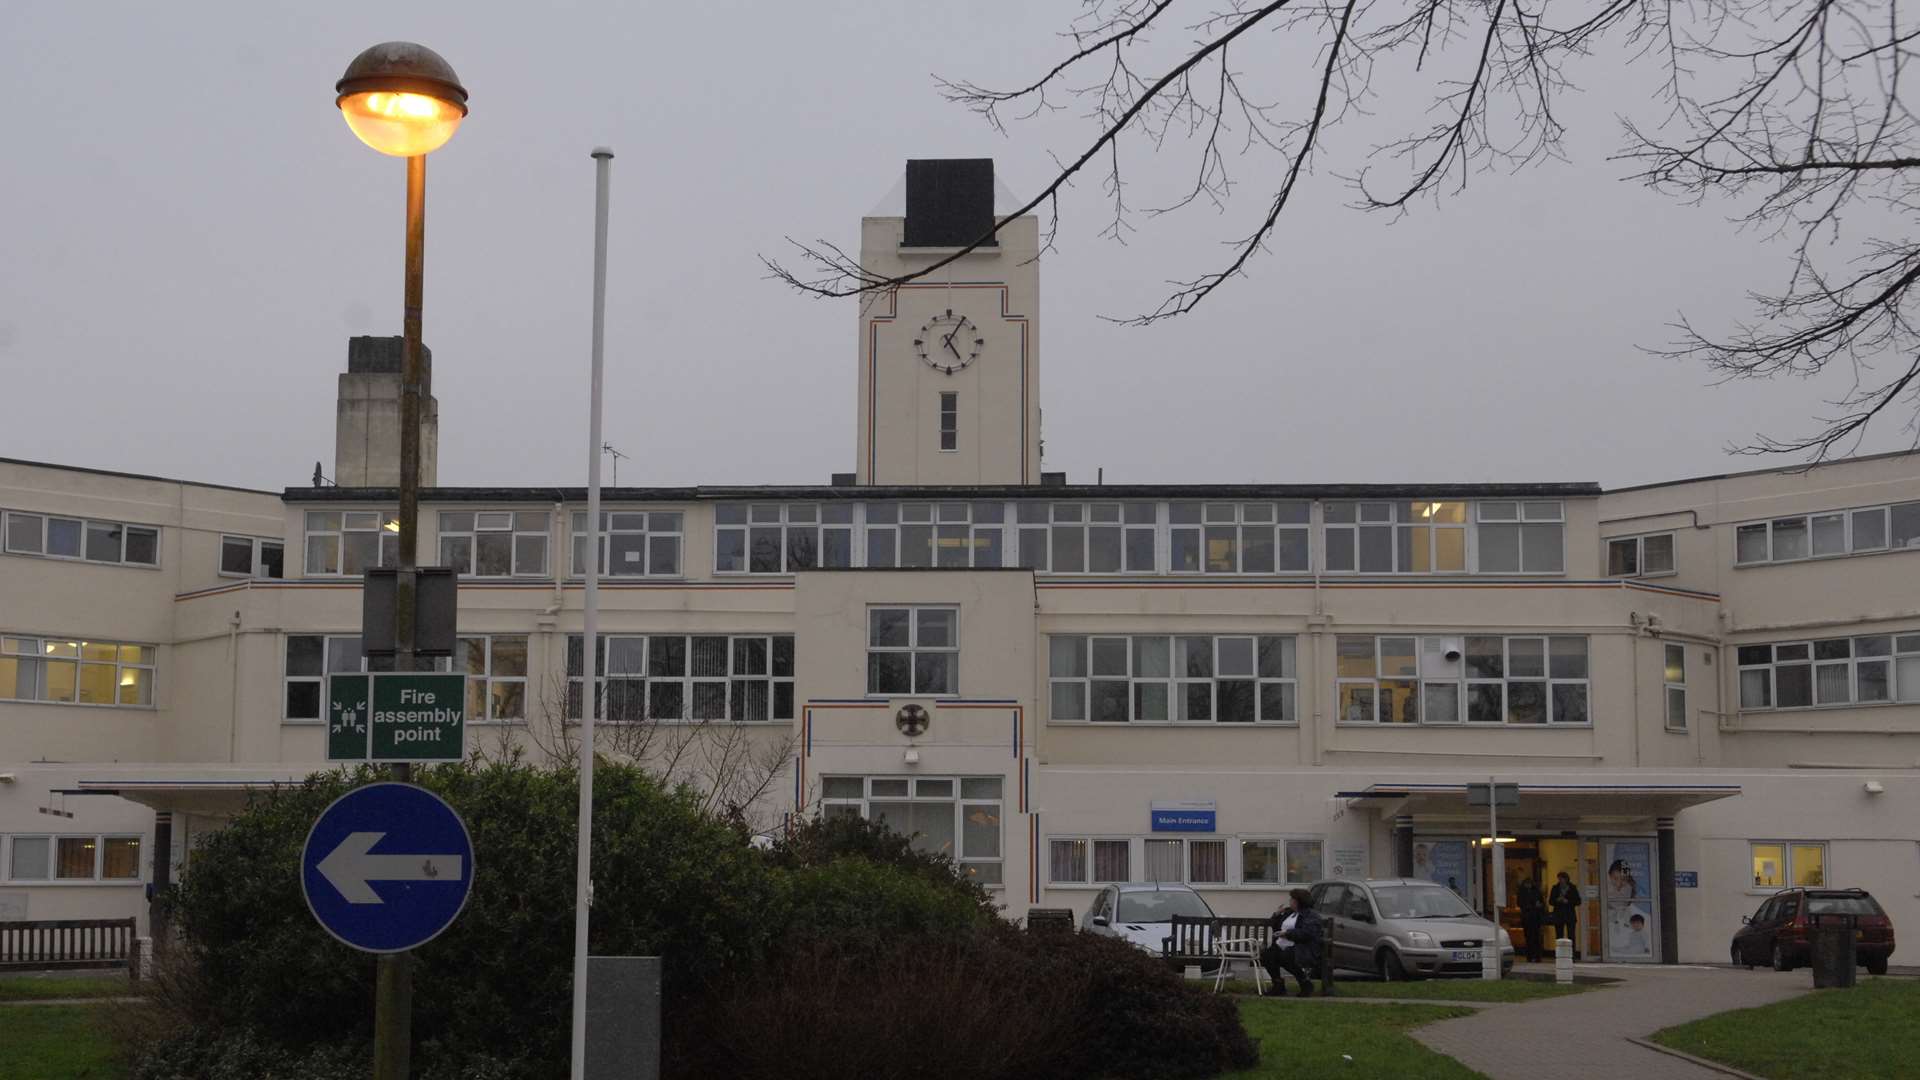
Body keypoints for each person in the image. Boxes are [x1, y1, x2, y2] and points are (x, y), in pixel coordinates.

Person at [1277, 887, 1327, 996]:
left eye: (1292, 899)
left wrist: (1287, 934)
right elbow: (1277, 926)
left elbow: (1306, 933)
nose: (1290, 901)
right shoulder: (1289, 913)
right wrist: (1276, 914)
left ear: (1299, 902)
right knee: (1268, 955)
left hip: (1304, 948)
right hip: (1285, 945)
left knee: (1285, 956)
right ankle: (1277, 985)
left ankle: (1304, 983)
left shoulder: (1311, 916)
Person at [1548, 871, 1582, 960]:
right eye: (1559, 879)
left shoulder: (1572, 888)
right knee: (1559, 936)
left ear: (1566, 879)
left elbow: (1578, 901)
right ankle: (1560, 955)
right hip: (1559, 914)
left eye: (1562, 879)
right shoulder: (1555, 888)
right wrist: (1557, 900)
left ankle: (1572, 956)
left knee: (1571, 936)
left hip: (1569, 914)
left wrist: (1568, 901)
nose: (1560, 881)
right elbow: (1551, 901)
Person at [1517, 875, 1547, 962]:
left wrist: (1539, 906)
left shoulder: (1536, 891)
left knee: (1536, 937)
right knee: (1529, 937)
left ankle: (1537, 956)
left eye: (1529, 884)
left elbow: (1542, 903)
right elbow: (1521, 903)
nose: (1528, 885)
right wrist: (1534, 905)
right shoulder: (1522, 892)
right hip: (1528, 917)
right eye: (1527, 884)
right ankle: (1530, 956)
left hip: (1535, 917)